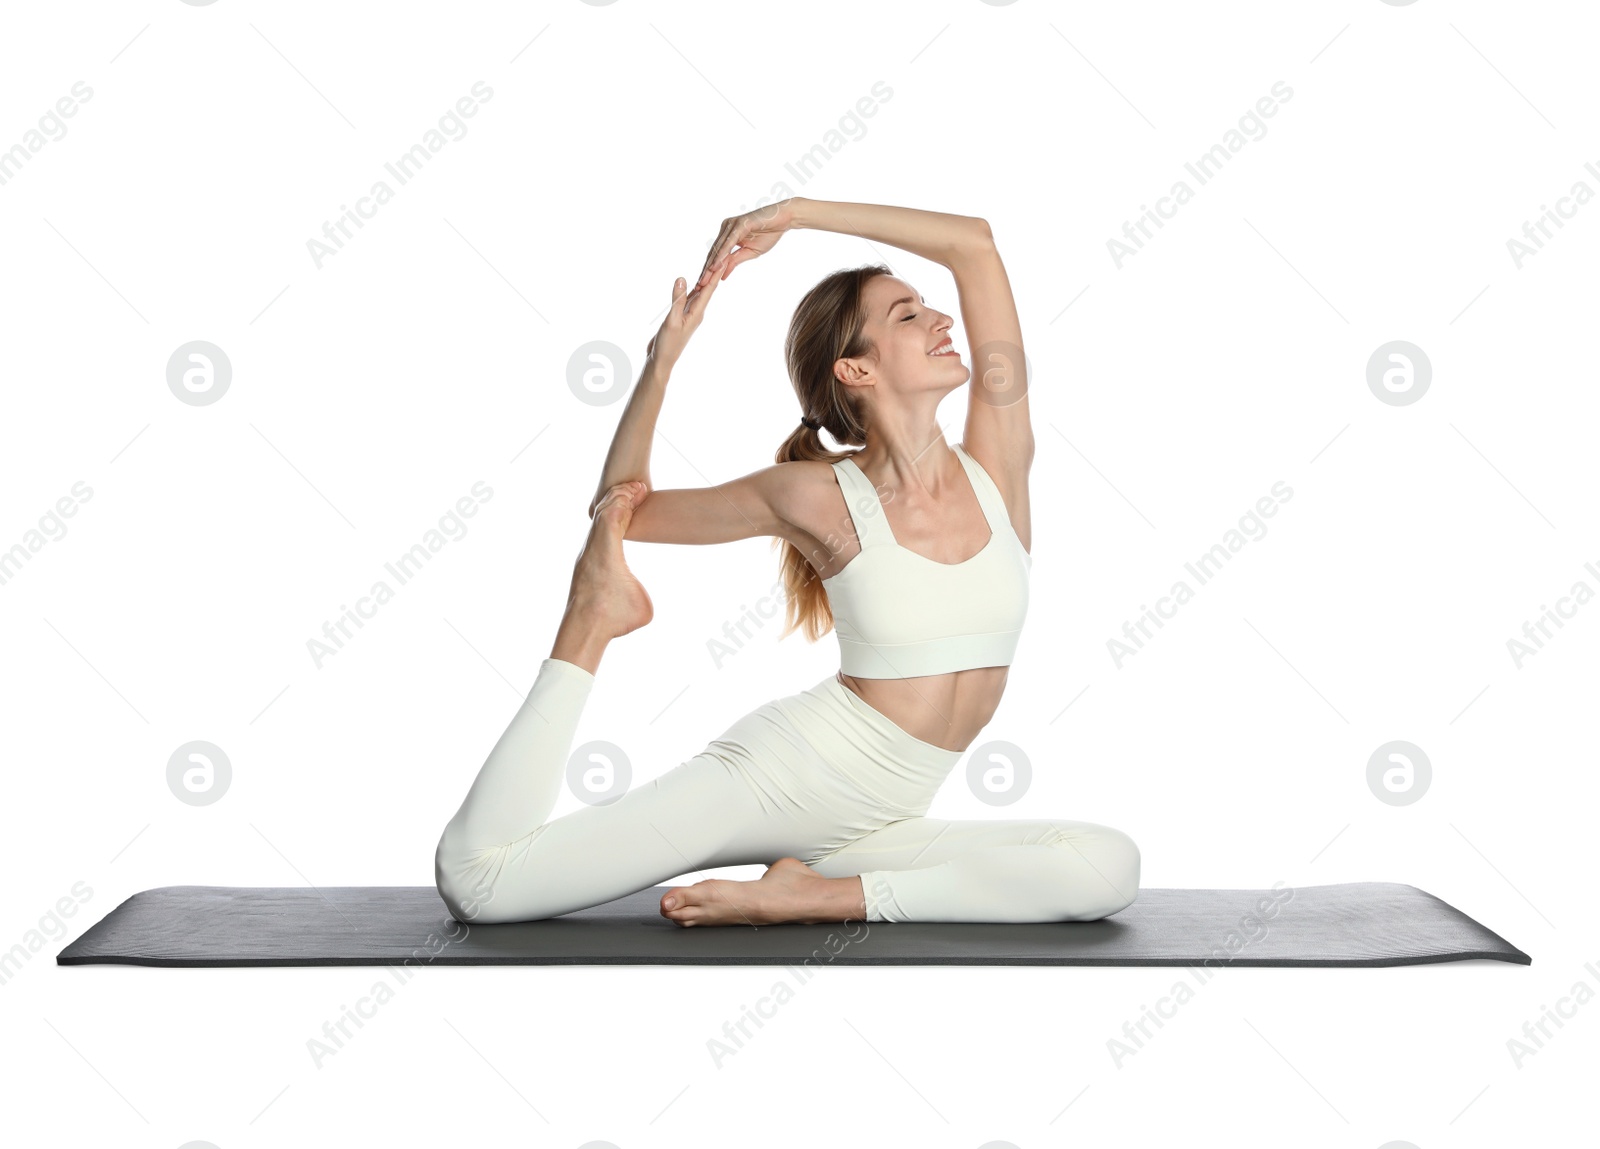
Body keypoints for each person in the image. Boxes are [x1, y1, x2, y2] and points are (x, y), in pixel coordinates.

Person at [434, 197, 1140, 927]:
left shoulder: (999, 465)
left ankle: (817, 894)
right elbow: (623, 508)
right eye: (907, 315)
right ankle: (593, 619)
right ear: (855, 369)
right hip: (786, 778)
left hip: (883, 822)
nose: (941, 321)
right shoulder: (819, 495)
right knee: (480, 883)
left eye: (929, 307)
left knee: (1108, 865)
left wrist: (798, 213)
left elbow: (976, 246)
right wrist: (661, 364)